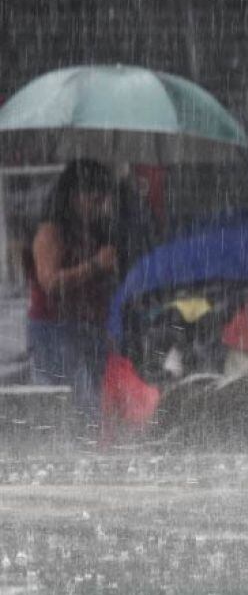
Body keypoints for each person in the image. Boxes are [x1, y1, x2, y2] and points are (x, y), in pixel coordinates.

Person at [24, 159, 120, 420]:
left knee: (94, 403)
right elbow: (50, 282)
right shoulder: (50, 232)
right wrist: (95, 266)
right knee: (72, 405)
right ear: (72, 197)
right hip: (55, 331)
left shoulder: (92, 233)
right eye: (93, 196)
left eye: (103, 198)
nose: (99, 204)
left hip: (88, 329)